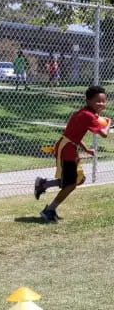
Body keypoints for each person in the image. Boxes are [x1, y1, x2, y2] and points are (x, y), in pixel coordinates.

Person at [34, 86, 111, 222]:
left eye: (103, 101)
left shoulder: (83, 113)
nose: (101, 104)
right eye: (97, 101)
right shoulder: (88, 115)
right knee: (70, 184)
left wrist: (86, 149)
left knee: (78, 179)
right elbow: (104, 134)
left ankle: (43, 184)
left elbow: (74, 134)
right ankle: (49, 210)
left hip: (68, 146)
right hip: (67, 150)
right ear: (88, 100)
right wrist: (109, 122)